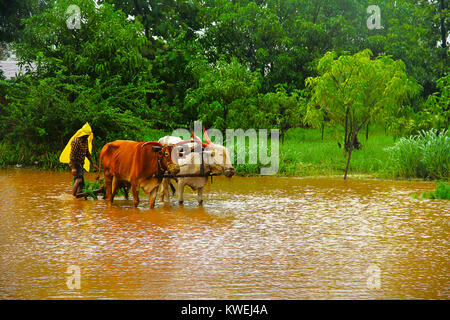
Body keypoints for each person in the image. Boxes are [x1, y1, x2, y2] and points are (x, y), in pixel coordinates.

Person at [59, 123, 99, 197]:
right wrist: (73, 168)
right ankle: (73, 196)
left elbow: (87, 154)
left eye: (88, 135)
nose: (87, 136)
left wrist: (93, 164)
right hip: (74, 163)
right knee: (79, 180)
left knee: (82, 183)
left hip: (80, 163)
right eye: (86, 135)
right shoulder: (76, 141)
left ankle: (78, 196)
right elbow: (72, 156)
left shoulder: (85, 141)